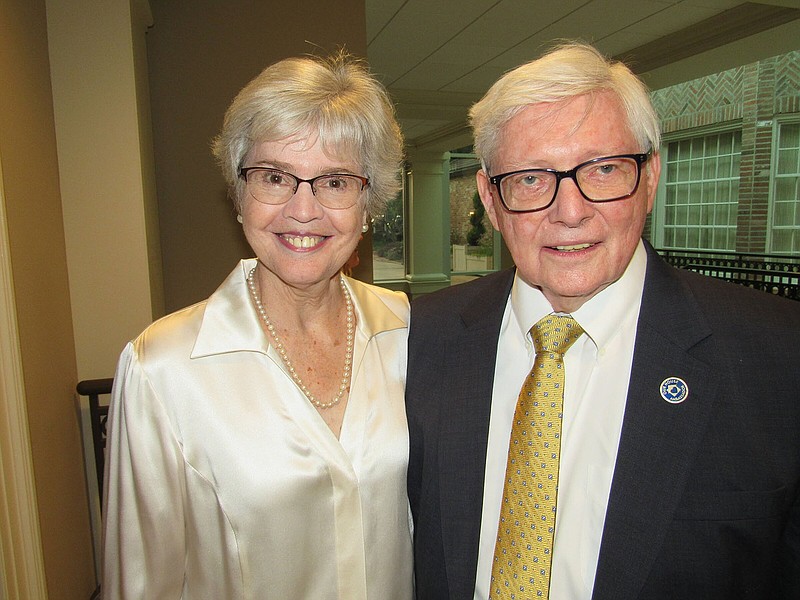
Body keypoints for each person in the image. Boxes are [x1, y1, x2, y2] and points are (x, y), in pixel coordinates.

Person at [406, 42, 800, 600]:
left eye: (605, 168)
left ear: (650, 178)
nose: (570, 211)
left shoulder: (778, 360)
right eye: (531, 179)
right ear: (491, 202)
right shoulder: (420, 339)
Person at [102, 52, 413, 599]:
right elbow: (143, 581)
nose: (303, 210)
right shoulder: (164, 368)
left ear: (368, 204)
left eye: (335, 182)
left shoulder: (409, 333)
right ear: (239, 194)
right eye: (274, 177)